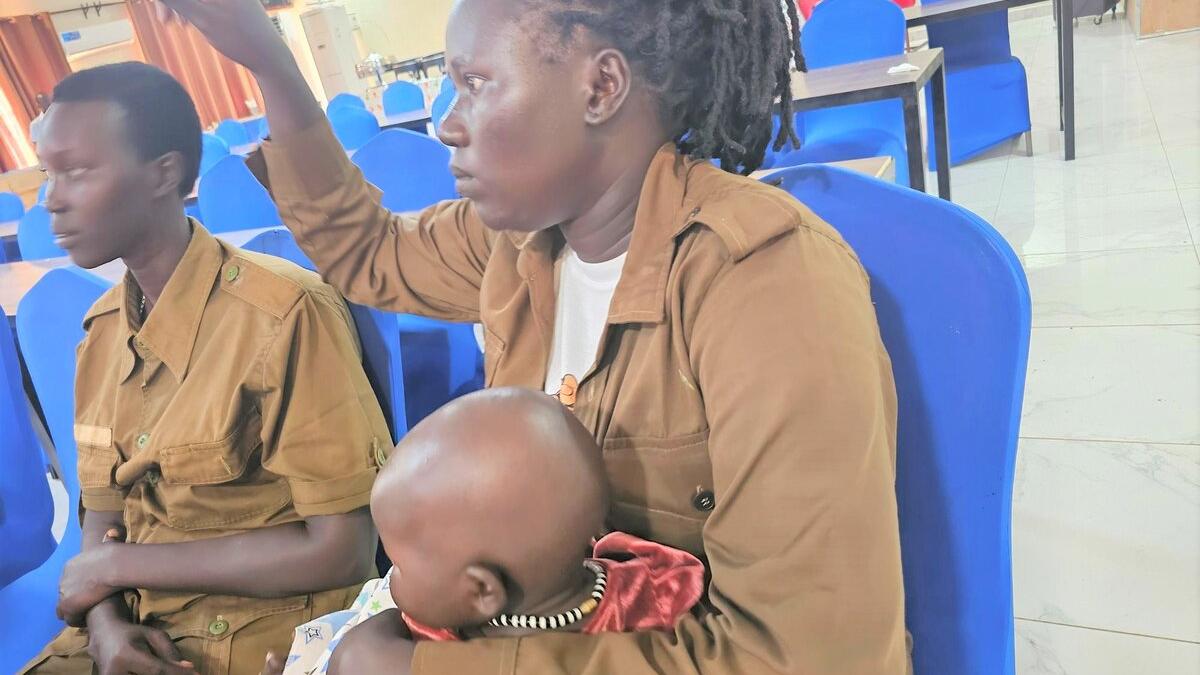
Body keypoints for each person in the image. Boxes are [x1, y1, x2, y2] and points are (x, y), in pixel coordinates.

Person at [161, 0, 911, 672]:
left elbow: (803, 655)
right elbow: (368, 253)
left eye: (476, 83)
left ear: (601, 86)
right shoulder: (520, 246)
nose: (446, 123)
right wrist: (271, 63)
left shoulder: (765, 286)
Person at [21, 62, 392, 675]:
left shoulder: (282, 315)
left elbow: (344, 552)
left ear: (164, 173)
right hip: (132, 628)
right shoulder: (102, 334)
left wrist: (117, 569)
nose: (52, 200)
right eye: (49, 174)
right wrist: (108, 625)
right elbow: (104, 520)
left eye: (78, 172)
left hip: (260, 635)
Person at [274, 387, 706, 675]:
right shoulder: (660, 592)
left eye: (399, 564)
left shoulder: (427, 642)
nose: (389, 579)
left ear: (482, 591)